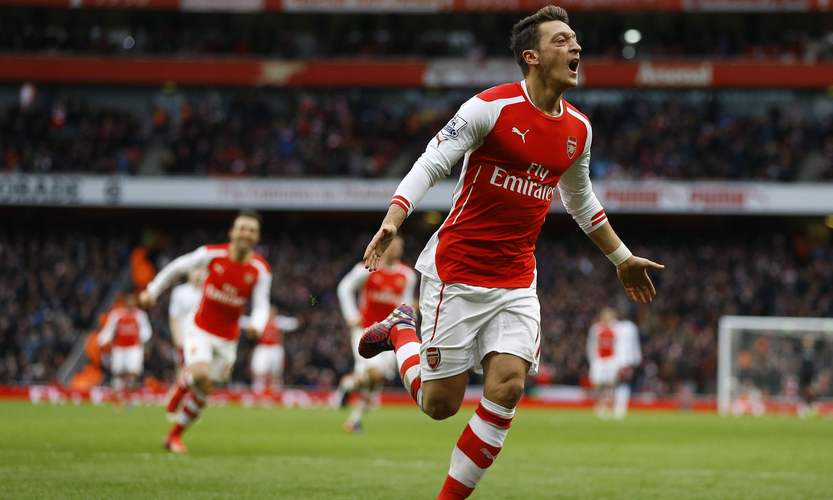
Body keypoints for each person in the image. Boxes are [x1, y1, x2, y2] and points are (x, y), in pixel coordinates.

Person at [357, 6, 664, 498]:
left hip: (517, 280)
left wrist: (622, 258)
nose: (576, 47)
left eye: (575, 40)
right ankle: (400, 330)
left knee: (508, 387)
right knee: (439, 406)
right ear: (531, 56)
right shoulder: (490, 107)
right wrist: (395, 217)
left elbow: (581, 201)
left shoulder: (578, 130)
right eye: (561, 40)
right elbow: (432, 161)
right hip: (456, 271)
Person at [139, 211, 271, 454]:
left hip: (228, 339)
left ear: (257, 237)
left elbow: (262, 304)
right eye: (242, 228)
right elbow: (177, 268)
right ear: (232, 232)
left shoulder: (260, 269)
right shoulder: (211, 254)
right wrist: (152, 290)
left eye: (252, 230)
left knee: (205, 389)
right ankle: (187, 382)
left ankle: (174, 435)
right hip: (200, 328)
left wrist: (258, 324)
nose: (246, 234)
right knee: (201, 374)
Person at [336, 235, 417, 432]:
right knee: (375, 374)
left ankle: (351, 400)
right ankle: (351, 393)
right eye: (392, 245)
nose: (395, 249)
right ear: (384, 246)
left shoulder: (407, 275)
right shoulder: (368, 267)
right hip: (365, 330)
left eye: (399, 246)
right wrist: (351, 315)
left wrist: (410, 319)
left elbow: (405, 305)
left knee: (375, 381)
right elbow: (344, 288)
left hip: (390, 333)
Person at [98, 291, 152, 405]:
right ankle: (117, 397)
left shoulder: (140, 315)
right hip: (119, 348)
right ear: (125, 301)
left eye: (133, 300)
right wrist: (102, 339)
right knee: (118, 372)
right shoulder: (117, 314)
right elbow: (109, 328)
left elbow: (146, 330)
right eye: (129, 300)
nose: (131, 303)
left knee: (133, 372)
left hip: (134, 348)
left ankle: (130, 396)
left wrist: (143, 339)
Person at [586, 307, 641, 419]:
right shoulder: (596, 329)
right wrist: (592, 359)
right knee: (599, 384)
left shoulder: (618, 329)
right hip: (599, 360)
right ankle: (600, 405)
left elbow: (621, 346)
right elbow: (591, 345)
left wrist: (622, 361)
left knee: (611, 384)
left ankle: (610, 405)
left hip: (612, 360)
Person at [247, 305, 300, 397]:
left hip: (275, 348)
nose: (271, 314)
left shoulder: (279, 321)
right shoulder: (260, 322)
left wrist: (299, 319)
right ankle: (258, 390)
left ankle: (276, 392)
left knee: (276, 372)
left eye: (272, 311)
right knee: (259, 370)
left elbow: (293, 324)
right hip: (263, 348)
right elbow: (246, 322)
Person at [168, 267, 206, 368]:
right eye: (195, 270)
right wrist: (177, 340)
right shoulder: (179, 292)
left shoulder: (209, 292)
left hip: (204, 338)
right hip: (185, 337)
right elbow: (174, 318)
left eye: (201, 270)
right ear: (189, 273)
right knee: (183, 368)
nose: (198, 274)